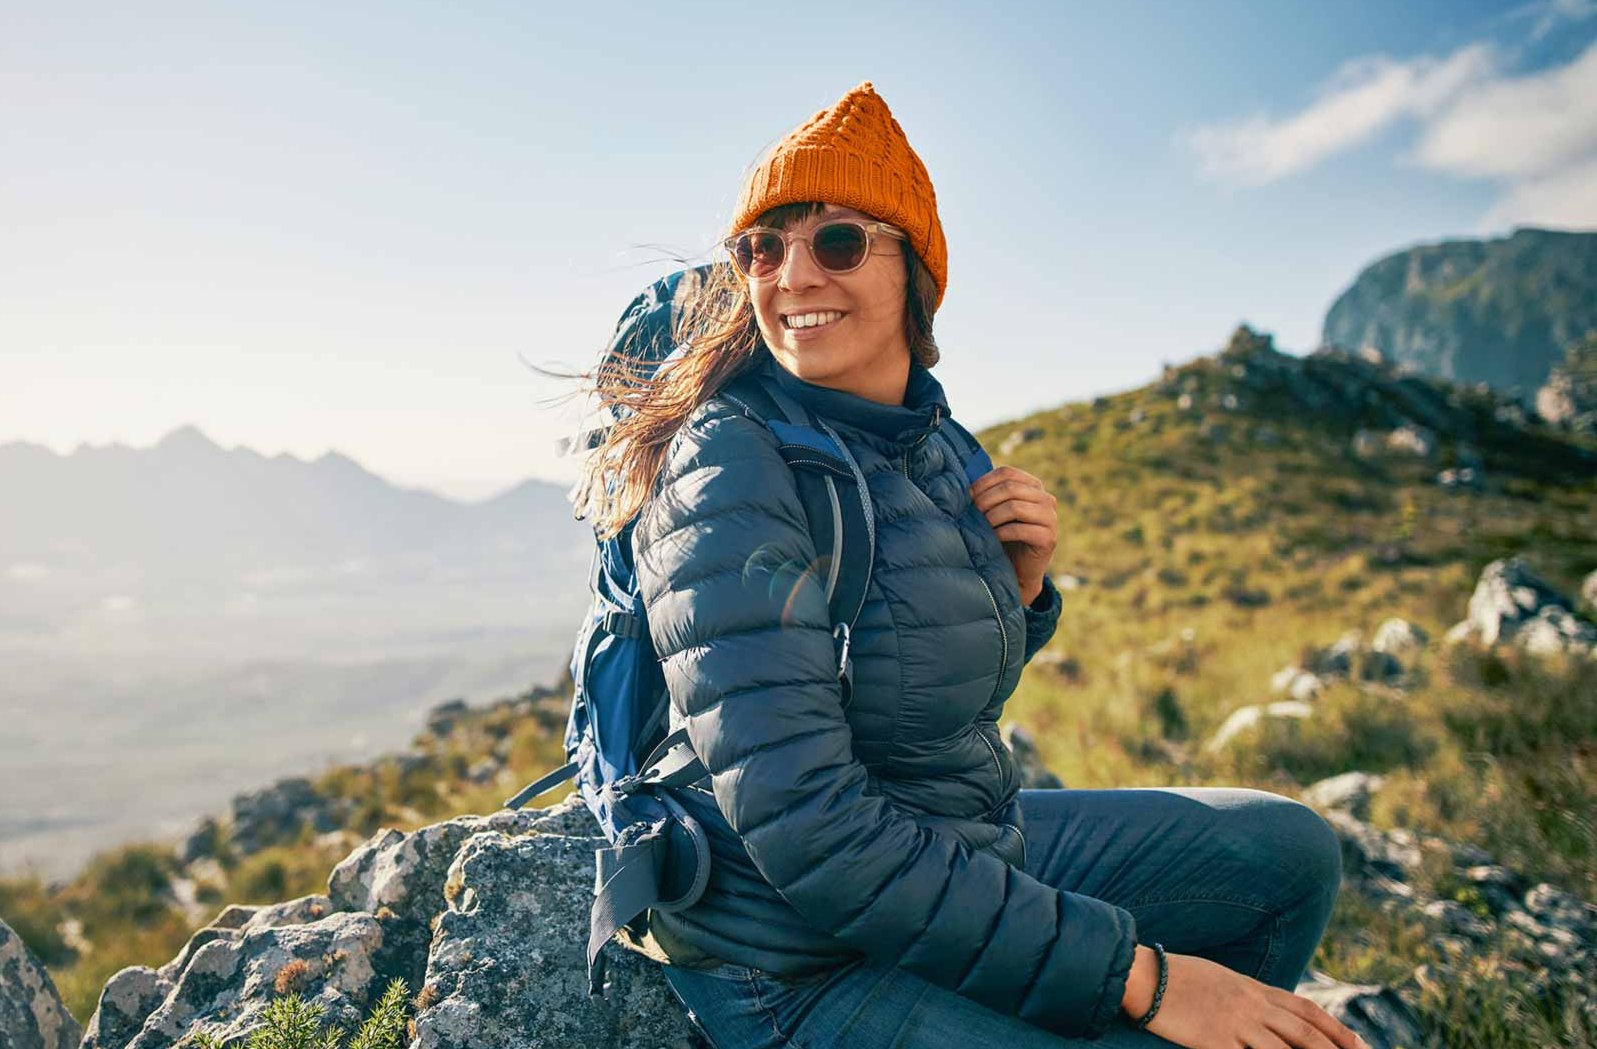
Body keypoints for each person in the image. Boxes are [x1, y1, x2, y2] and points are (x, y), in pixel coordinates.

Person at [570, 82, 1366, 1049]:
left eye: (836, 241)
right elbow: (810, 829)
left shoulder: (932, 440)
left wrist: (1022, 593)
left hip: (939, 844)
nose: (790, 276)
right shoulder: (725, 464)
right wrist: (1142, 979)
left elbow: (908, 680)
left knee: (1287, 853)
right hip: (789, 949)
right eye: (761, 247)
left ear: (916, 269)